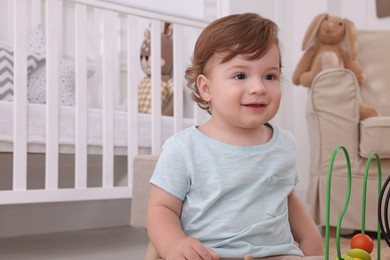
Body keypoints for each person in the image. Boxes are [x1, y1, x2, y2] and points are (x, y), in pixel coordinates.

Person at [147, 13, 324, 260]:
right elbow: (161, 208)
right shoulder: (184, 148)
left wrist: (311, 243)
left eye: (270, 76)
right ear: (206, 88)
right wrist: (174, 244)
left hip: (276, 253)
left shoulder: (284, 143)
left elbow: (285, 196)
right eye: (240, 76)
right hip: (210, 254)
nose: (259, 88)